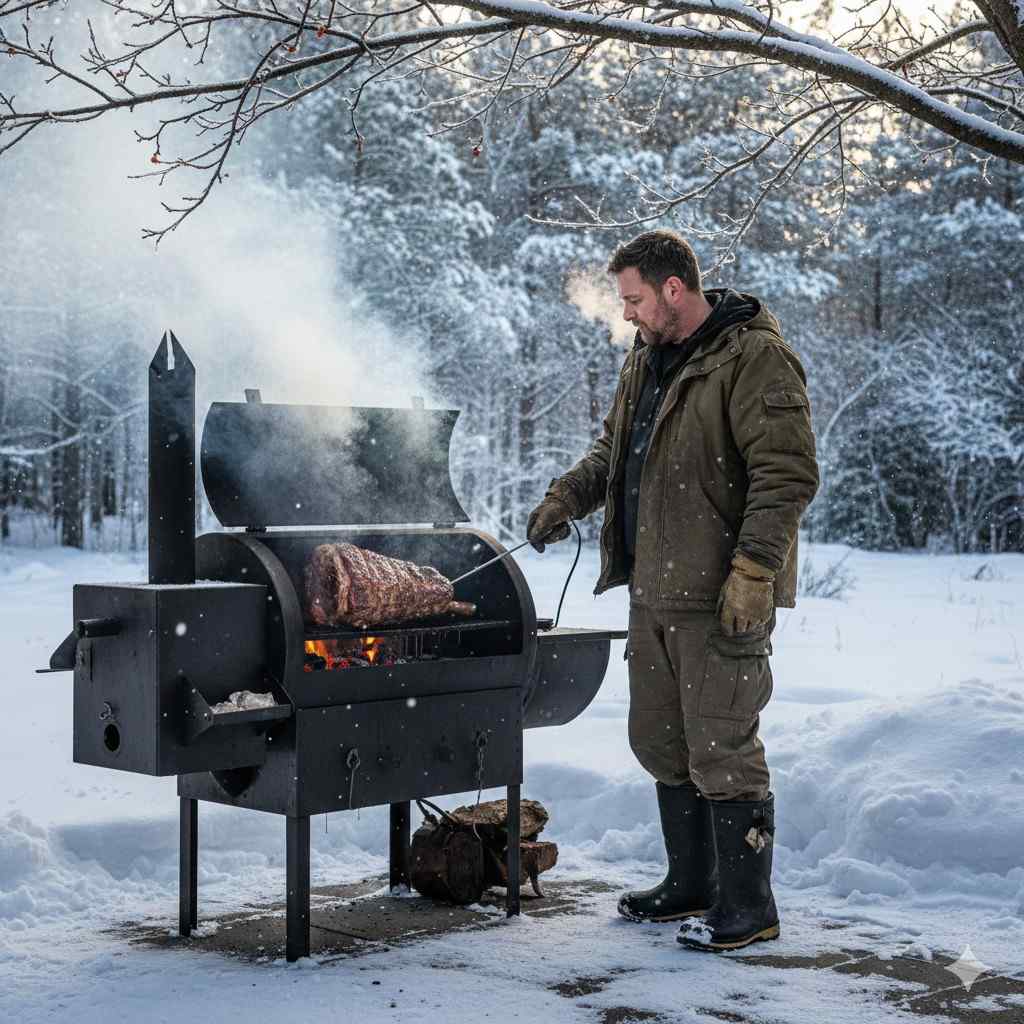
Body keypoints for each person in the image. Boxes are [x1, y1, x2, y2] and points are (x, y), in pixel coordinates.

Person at [527, 230, 819, 951]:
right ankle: (691, 884)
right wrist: (569, 496)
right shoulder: (647, 358)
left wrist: (753, 571)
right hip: (654, 590)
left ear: (673, 290)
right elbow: (615, 448)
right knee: (661, 742)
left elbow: (786, 473)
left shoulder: (753, 356)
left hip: (720, 595)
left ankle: (750, 909)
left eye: (632, 299)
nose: (626, 313)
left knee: (723, 745)